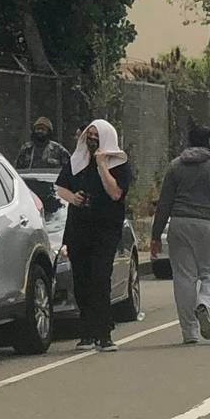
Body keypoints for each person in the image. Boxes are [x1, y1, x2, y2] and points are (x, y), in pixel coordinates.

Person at [151, 126, 210, 345]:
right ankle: (205, 304)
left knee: (184, 278)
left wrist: (155, 235)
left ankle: (189, 332)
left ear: (188, 142)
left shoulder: (175, 167)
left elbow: (164, 203)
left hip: (179, 224)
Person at [54, 120, 132, 352]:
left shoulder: (119, 164)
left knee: (100, 278)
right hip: (78, 228)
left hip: (105, 228)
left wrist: (102, 166)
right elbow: (61, 188)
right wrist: (73, 198)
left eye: (97, 136)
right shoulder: (76, 161)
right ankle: (86, 331)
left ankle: (104, 333)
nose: (92, 140)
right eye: (89, 135)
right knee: (81, 280)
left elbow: (115, 193)